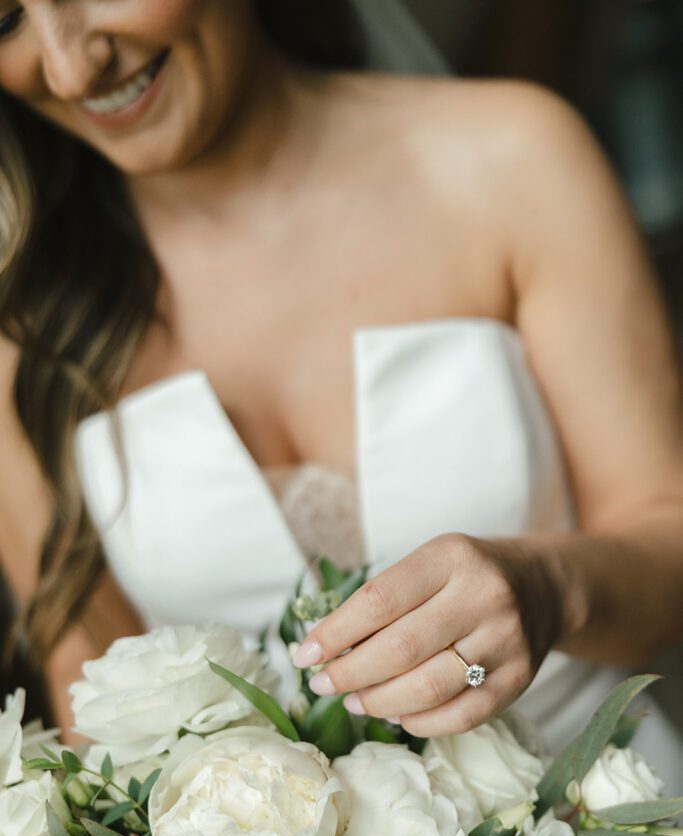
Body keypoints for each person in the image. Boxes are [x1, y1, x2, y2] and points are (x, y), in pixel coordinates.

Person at [1, 1, 682, 780]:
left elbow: (668, 544)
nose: (68, 68)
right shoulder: (24, 330)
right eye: (4, 22)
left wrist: (548, 587)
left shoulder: (513, 157)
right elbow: (95, 719)